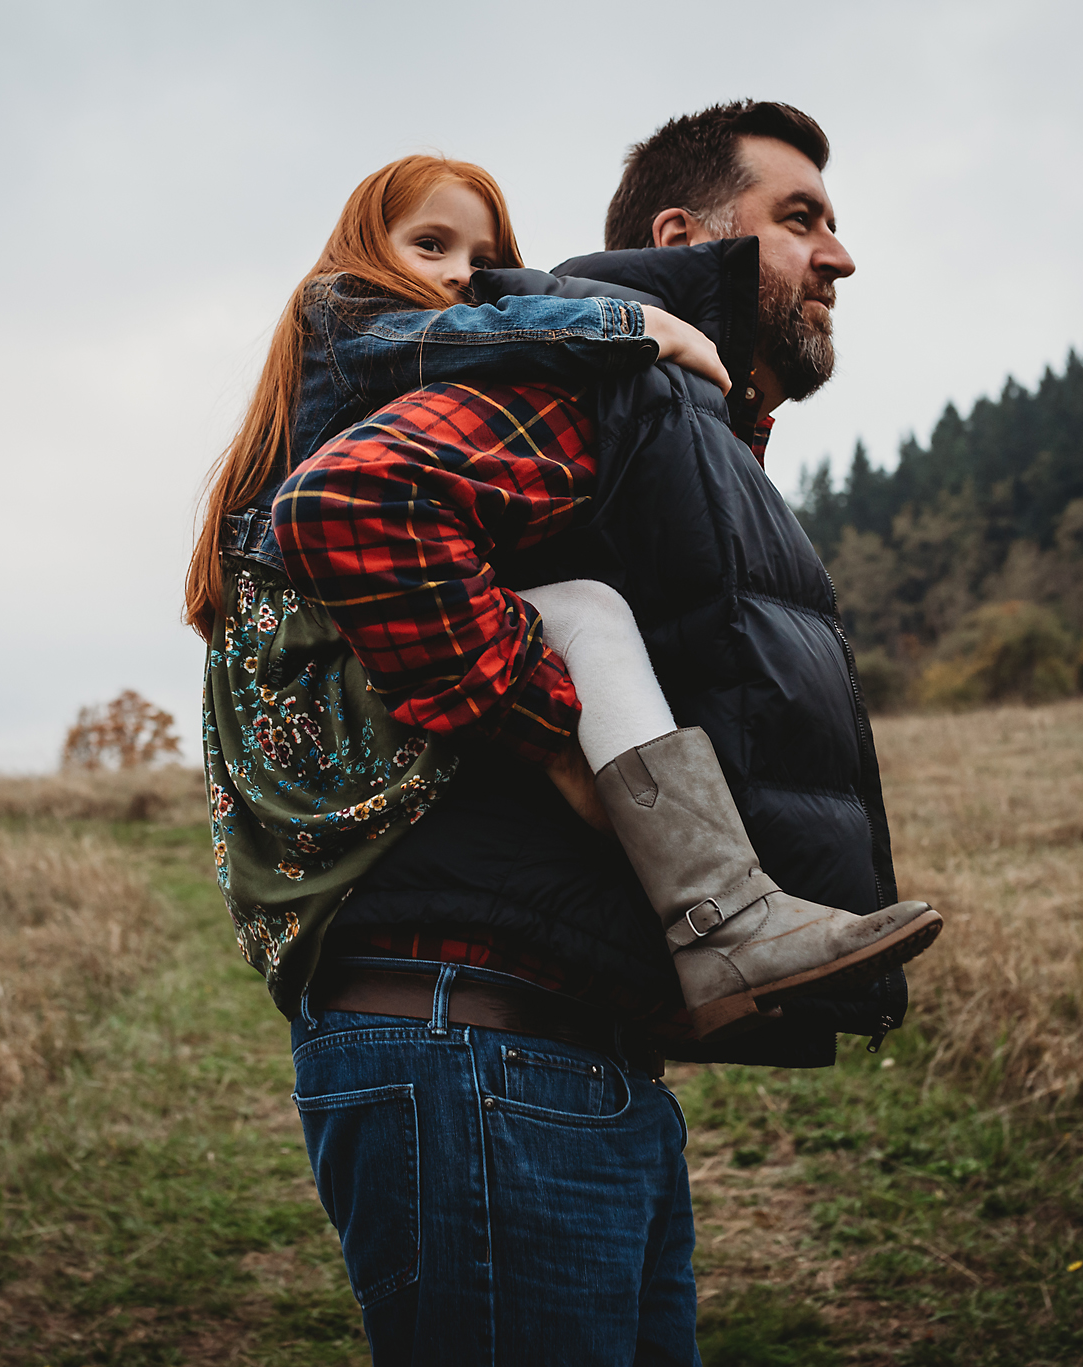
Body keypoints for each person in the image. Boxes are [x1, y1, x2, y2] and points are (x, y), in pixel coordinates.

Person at [273, 102, 917, 1363]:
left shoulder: (671, 422)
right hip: (484, 1051)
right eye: (799, 220)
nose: (839, 256)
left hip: (562, 1054)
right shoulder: (596, 383)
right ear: (686, 234)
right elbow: (350, 502)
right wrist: (553, 741)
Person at [189, 154, 935, 1041]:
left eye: (482, 256)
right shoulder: (353, 313)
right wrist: (640, 327)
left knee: (582, 608)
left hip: (324, 690)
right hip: (324, 674)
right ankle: (727, 912)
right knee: (583, 611)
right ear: (361, 251)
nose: (462, 276)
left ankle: (717, 919)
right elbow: (467, 348)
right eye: (430, 243)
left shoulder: (404, 390)